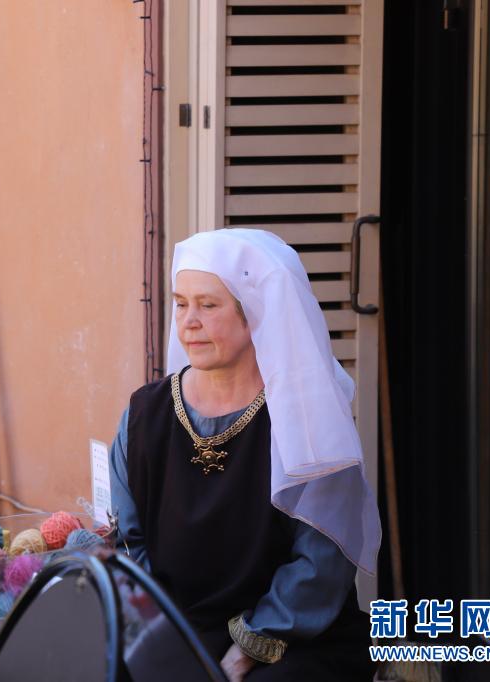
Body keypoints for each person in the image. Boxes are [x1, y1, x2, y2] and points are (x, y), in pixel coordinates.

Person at [109, 228, 381, 681]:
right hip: (176, 628)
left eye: (208, 305)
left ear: (254, 312)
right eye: (181, 303)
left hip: (290, 638)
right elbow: (128, 541)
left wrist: (248, 647)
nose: (189, 321)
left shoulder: (305, 418)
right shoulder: (144, 414)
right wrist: (162, 637)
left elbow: (321, 561)